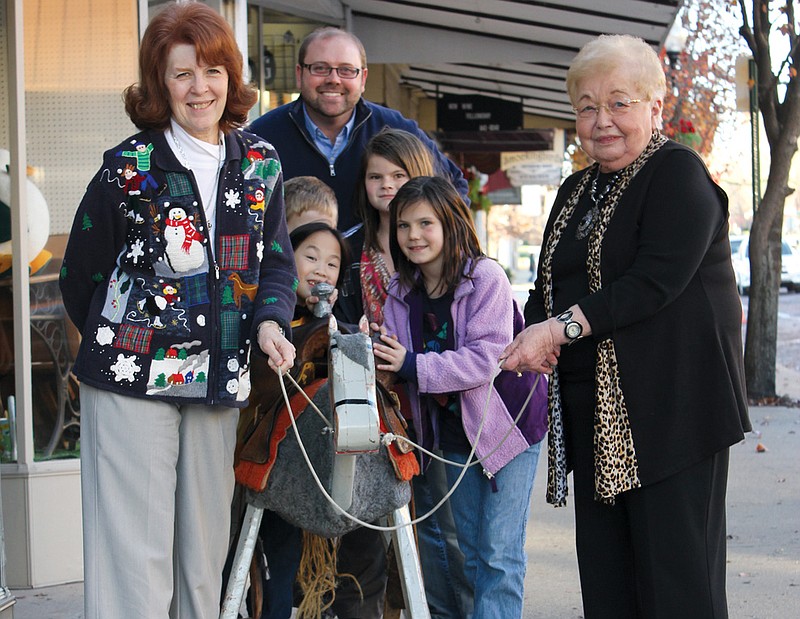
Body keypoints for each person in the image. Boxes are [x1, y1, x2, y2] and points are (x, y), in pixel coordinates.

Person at [500, 34, 751, 619]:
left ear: (655, 107)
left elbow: (651, 283)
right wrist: (522, 336)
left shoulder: (678, 177)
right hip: (596, 422)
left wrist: (557, 330)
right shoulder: (574, 190)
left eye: (620, 102)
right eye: (587, 106)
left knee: (677, 591)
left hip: (674, 419)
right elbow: (547, 290)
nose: (602, 120)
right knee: (611, 591)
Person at [58, 3, 297, 618]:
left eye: (214, 71)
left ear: (231, 78)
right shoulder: (127, 168)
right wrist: (129, 345)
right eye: (182, 73)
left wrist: (268, 321)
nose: (201, 88)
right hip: (132, 380)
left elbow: (274, 264)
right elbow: (80, 275)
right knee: (134, 562)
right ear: (159, 83)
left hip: (219, 380)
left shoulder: (261, 163)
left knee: (204, 560)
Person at [374, 176, 546, 618]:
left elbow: (486, 360)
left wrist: (410, 363)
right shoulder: (398, 292)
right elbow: (394, 364)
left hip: (506, 427)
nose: (413, 235)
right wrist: (373, 349)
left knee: (499, 555)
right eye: (404, 225)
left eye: (425, 223)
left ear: (451, 223)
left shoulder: (485, 277)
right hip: (450, 436)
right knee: (470, 554)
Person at [338, 127, 474, 619]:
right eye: (377, 176)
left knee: (441, 527)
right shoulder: (349, 247)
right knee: (379, 529)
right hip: (371, 404)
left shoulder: (434, 247)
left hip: (430, 400)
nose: (388, 185)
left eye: (400, 174)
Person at [247, 26, 468, 238]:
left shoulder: (396, 128)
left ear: (362, 78)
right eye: (320, 68)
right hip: (296, 275)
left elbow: (454, 187)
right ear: (299, 74)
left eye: (346, 70)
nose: (333, 79)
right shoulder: (262, 139)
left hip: (385, 272)